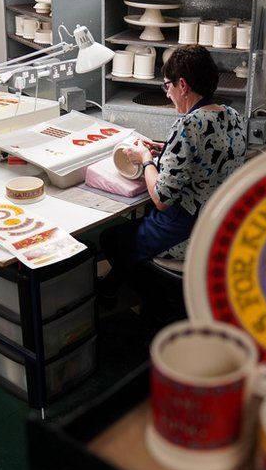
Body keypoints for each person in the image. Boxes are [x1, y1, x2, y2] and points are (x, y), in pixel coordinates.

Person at [98, 45, 247, 317]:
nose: (167, 94)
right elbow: (206, 154)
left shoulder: (188, 126)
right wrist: (165, 149)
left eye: (167, 86)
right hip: (219, 226)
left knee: (111, 238)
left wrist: (145, 158)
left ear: (183, 85)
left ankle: (156, 302)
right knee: (129, 235)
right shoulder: (232, 115)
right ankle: (131, 294)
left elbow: (161, 199)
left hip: (187, 232)